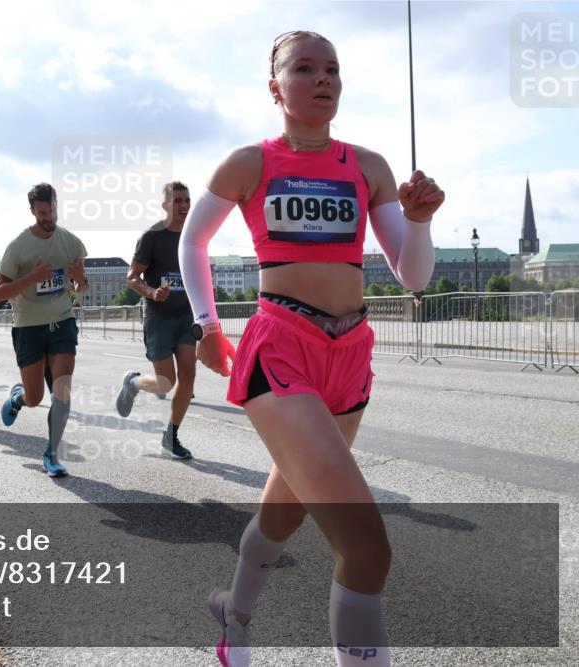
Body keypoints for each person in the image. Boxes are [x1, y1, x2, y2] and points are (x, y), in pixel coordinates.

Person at [179, 31, 442, 667]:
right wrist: (209, 325)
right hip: (281, 348)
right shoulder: (249, 162)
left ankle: (234, 619)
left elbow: (413, 276)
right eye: (304, 68)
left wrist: (422, 220)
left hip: (349, 352)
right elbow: (194, 243)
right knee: (367, 548)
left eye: (332, 69)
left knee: (286, 508)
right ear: (276, 87)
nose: (323, 79)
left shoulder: (369, 167)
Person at [0, 183, 88, 477]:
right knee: (35, 398)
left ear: (57, 205)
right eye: (42, 212)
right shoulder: (19, 247)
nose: (49, 217)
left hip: (62, 321)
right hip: (28, 327)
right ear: (33, 211)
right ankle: (19, 397)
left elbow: (80, 290)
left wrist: (79, 281)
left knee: (62, 391)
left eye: (52, 210)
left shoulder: (71, 243)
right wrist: (32, 277)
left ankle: (52, 454)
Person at [114, 181, 196, 460]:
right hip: (158, 317)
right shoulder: (151, 237)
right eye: (178, 201)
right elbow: (132, 276)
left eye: (187, 200)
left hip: (185, 315)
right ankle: (133, 383)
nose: (184, 206)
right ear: (165, 206)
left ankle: (171, 436)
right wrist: (151, 292)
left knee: (189, 376)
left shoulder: (193, 235)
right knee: (166, 382)